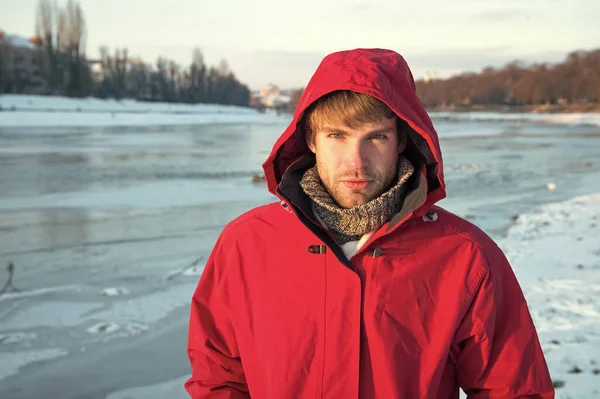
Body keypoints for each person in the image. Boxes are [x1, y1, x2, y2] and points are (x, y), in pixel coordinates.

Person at [185, 48, 554, 398]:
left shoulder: (465, 256)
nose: (356, 161)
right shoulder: (247, 244)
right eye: (337, 136)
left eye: (375, 137)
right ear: (311, 139)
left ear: (402, 140)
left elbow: (514, 389)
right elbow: (217, 376)